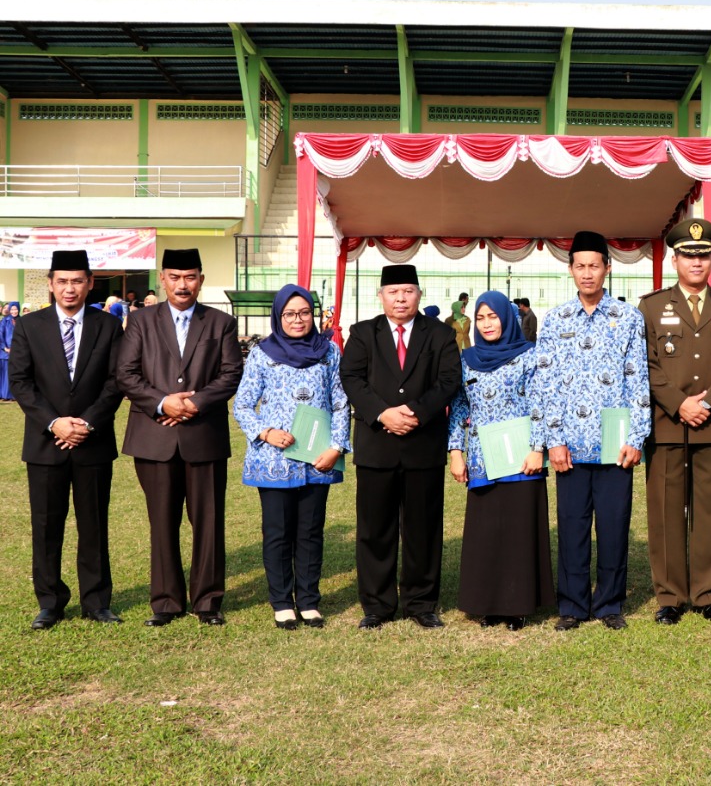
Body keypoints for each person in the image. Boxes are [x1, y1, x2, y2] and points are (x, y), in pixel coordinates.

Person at [117, 248, 243, 627]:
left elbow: (230, 372)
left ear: (201, 279)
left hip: (203, 434)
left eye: (190, 276)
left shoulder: (220, 322)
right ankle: (166, 602)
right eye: (175, 276)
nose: (182, 284)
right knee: (162, 520)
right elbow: (126, 373)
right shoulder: (140, 321)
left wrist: (195, 403)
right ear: (163, 278)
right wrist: (162, 402)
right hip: (154, 436)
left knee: (208, 521)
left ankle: (207, 601)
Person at [535, 232, 651, 632]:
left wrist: (636, 437)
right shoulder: (554, 320)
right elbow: (545, 384)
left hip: (614, 444)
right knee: (571, 524)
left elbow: (638, 382)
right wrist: (553, 439)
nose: (587, 273)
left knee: (615, 524)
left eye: (594, 265)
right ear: (571, 270)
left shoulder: (628, 318)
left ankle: (609, 604)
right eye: (580, 266)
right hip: (568, 445)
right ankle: (572, 604)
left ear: (607, 267)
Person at [639, 217, 711, 624]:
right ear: (675, 259)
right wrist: (677, 403)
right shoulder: (651, 306)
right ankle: (670, 596)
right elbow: (645, 363)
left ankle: (707, 594)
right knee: (666, 512)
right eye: (688, 255)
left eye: (703, 256)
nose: (696, 263)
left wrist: (710, 402)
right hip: (668, 424)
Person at [340, 264, 461, 630]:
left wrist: (416, 413)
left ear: (419, 295)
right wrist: (382, 413)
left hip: (423, 444)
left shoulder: (439, 334)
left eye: (408, 291)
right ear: (381, 296)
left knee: (423, 527)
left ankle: (421, 603)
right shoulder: (363, 333)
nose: (401, 298)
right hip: (377, 444)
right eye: (393, 292)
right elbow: (351, 378)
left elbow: (448, 380)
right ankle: (377, 605)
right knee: (375, 528)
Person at [10, 250, 125, 630]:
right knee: (46, 525)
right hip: (46, 443)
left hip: (92, 441)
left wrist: (87, 423)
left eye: (77, 281)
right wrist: (55, 422)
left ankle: (96, 600)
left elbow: (116, 382)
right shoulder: (30, 325)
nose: (70, 288)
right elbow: (21, 383)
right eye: (62, 281)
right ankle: (50, 601)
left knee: (94, 523)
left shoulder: (108, 326)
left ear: (90, 283)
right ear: (50, 283)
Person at [233, 284, 348, 631]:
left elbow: (341, 401)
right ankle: (282, 602)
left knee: (311, 532)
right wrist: (266, 432)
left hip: (318, 459)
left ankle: (309, 601)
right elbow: (242, 404)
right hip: (274, 461)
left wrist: (337, 447)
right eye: (289, 314)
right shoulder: (262, 354)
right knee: (278, 532)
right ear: (278, 316)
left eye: (304, 313)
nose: (297, 320)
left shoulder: (328, 352)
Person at [448, 290, 553, 631]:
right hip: (481, 458)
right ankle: (488, 603)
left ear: (507, 319)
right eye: (480, 317)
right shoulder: (467, 359)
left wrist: (539, 448)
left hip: (522, 458)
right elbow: (460, 408)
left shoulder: (529, 356)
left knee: (518, 531)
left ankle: (517, 604)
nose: (487, 323)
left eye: (493, 316)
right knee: (487, 532)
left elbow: (541, 403)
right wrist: (456, 451)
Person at [0, 300, 19, 401]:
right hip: (6, 352)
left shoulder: (22, 321)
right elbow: (1, 335)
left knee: (16, 374)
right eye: (12, 309)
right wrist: (5, 348)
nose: (14, 311)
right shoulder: (5, 321)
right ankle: (5, 395)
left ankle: (14, 395)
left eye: (15, 309)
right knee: (6, 374)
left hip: (18, 351)